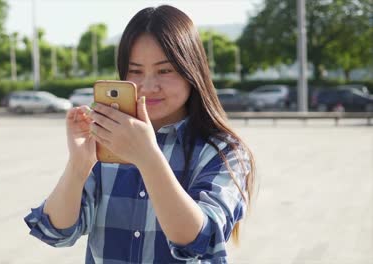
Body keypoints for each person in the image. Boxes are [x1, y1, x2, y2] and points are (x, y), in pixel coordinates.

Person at [24, 5, 256, 264]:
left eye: (165, 70)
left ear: (192, 71)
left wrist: (147, 157)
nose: (148, 85)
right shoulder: (109, 143)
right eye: (135, 71)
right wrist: (78, 166)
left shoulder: (223, 151)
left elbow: (200, 239)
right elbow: (56, 231)